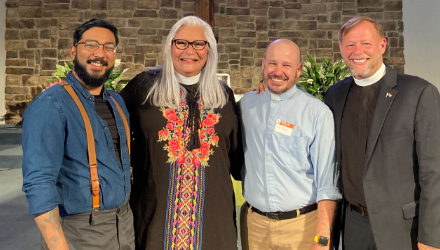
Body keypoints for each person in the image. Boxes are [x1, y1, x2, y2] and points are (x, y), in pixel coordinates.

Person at [324, 16, 440, 250]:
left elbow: (437, 172)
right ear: (341, 49)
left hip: (403, 229)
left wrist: (432, 237)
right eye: (350, 44)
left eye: (365, 43)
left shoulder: (418, 92)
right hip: (353, 226)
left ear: (382, 45)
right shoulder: (335, 95)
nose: (357, 51)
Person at [120, 16, 243, 250]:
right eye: (181, 43)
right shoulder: (144, 88)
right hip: (157, 219)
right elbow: (108, 116)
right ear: (170, 46)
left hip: (213, 223)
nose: (190, 51)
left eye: (199, 44)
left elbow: (236, 157)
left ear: (209, 50)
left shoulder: (222, 95)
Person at [21, 18, 134, 250]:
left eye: (108, 47)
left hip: (123, 224)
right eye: (91, 44)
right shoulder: (51, 104)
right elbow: (39, 182)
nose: (100, 53)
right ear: (74, 50)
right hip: (80, 230)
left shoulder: (117, 102)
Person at [239, 39, 341, 250]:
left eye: (287, 65)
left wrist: (322, 239)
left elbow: (327, 185)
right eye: (272, 64)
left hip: (302, 227)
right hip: (256, 226)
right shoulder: (247, 104)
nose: (278, 71)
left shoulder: (317, 113)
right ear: (263, 65)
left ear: (299, 69)